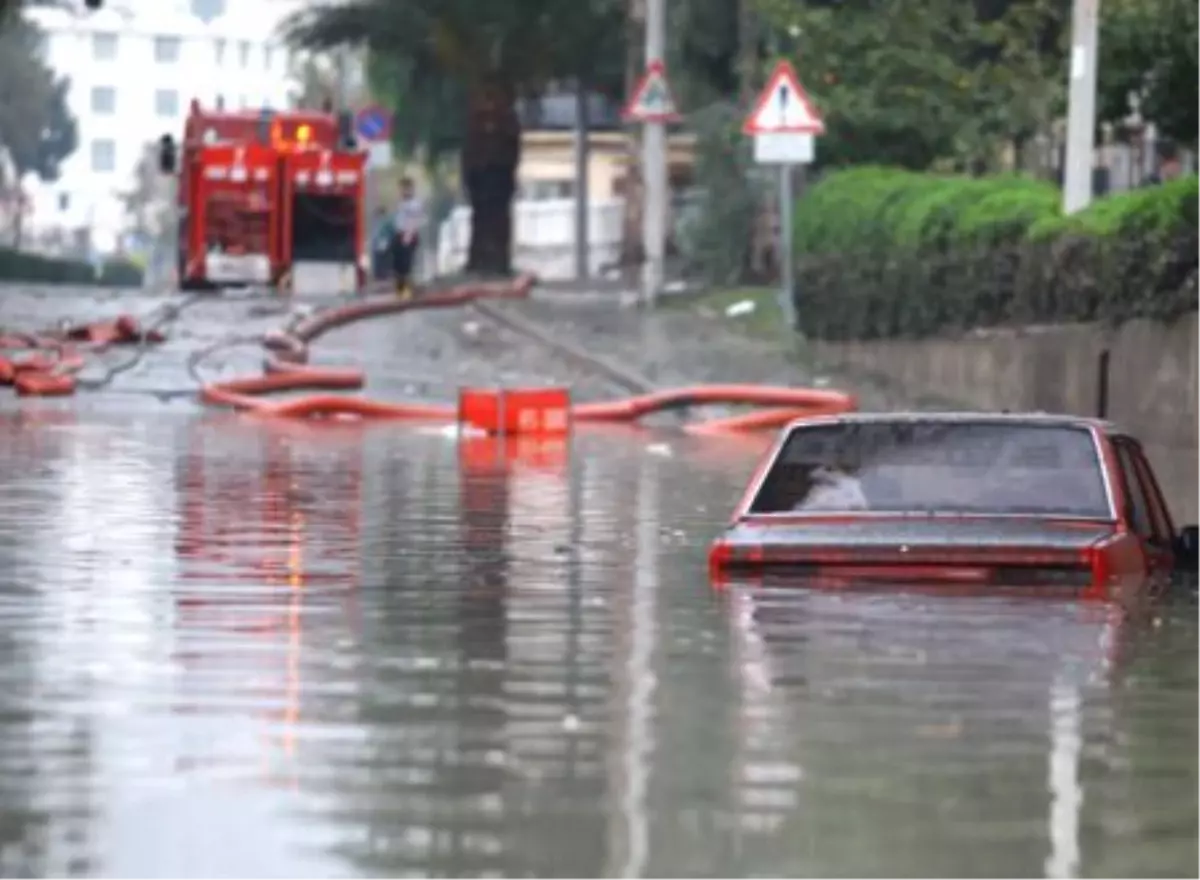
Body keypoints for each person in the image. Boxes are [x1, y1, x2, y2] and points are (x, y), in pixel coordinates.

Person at [391, 177, 426, 299]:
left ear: (411, 189)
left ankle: (408, 290)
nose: (402, 192)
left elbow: (414, 220)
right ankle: (399, 290)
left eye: (406, 189)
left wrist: (408, 236)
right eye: (401, 189)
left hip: (409, 235)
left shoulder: (414, 204)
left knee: (407, 263)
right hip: (399, 234)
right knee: (397, 263)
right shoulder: (401, 203)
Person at [370, 207, 393, 282]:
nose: (376, 216)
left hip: (383, 242)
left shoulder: (385, 221)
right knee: (378, 259)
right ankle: (380, 275)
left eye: (377, 214)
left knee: (382, 259)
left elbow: (389, 233)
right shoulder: (377, 222)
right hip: (378, 243)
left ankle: (383, 276)